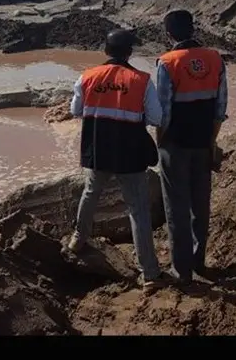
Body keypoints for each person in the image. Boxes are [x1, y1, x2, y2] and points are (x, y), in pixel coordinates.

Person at [67, 29, 165, 294]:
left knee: (90, 193)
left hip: (98, 149)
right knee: (138, 210)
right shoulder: (142, 80)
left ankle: (78, 238)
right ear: (129, 52)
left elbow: (76, 110)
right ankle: (150, 274)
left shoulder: (87, 77)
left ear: (105, 50)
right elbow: (156, 118)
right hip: (130, 153)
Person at [155, 10, 227, 285]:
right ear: (193, 28)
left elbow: (163, 111)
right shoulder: (215, 58)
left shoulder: (167, 62)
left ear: (168, 33)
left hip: (175, 143)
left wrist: (160, 141)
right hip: (203, 142)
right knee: (201, 205)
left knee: (176, 208)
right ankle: (199, 262)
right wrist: (211, 141)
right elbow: (220, 107)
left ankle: (181, 271)